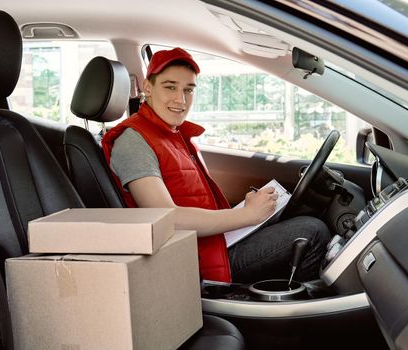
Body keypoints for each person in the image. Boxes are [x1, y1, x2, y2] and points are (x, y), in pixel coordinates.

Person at [102, 47, 331, 283]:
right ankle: (295, 314)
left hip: (213, 243)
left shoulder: (174, 135)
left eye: (188, 90)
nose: (180, 100)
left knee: (305, 212)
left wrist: (246, 212)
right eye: (170, 87)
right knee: (312, 231)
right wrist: (246, 216)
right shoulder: (133, 140)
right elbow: (167, 219)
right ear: (148, 88)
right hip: (192, 261)